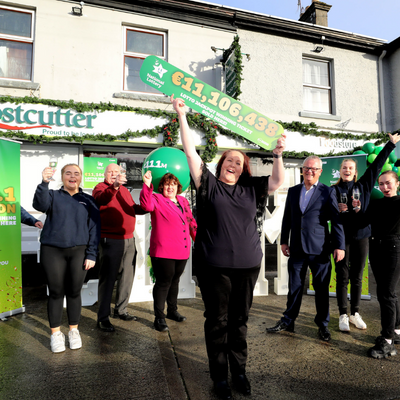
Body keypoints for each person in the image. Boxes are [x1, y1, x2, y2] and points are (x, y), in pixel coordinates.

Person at [172, 94, 286, 399]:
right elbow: (190, 153)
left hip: (248, 266)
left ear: (243, 168)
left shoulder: (253, 189)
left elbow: (277, 181)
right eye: (229, 159)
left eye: (239, 161)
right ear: (221, 164)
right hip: (214, 268)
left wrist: (277, 154)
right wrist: (182, 115)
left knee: (239, 321)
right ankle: (219, 376)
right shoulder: (207, 184)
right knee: (217, 321)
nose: (233, 163)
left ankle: (239, 372)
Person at [267, 156, 345, 342]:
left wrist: (339, 245)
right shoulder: (293, 191)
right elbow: (287, 217)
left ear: (320, 172)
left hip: (319, 250)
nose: (309, 171)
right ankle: (288, 320)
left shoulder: (327, 192)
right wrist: (284, 240)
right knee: (294, 287)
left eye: (314, 169)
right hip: (297, 248)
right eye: (307, 168)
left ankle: (323, 325)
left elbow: (336, 220)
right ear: (302, 170)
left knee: (321, 289)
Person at [333, 134, 400, 333]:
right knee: (342, 276)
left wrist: (391, 145)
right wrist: (338, 211)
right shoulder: (333, 191)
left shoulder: (362, 185)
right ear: (340, 171)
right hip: (343, 238)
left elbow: (377, 165)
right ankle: (343, 314)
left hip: (362, 236)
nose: (347, 170)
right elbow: (329, 216)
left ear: (355, 172)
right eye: (344, 168)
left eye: (350, 168)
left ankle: (355, 313)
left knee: (357, 276)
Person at [33, 164, 100, 353]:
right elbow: (40, 204)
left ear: (81, 178)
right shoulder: (53, 196)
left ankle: (73, 331)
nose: (72, 176)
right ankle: (55, 334)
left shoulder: (89, 200)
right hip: (52, 251)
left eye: (76, 174)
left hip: (79, 252)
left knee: (74, 291)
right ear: (62, 177)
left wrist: (92, 254)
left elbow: (94, 229)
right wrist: (44, 183)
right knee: (55, 292)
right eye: (68, 173)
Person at [140, 171, 197, 332]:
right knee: (163, 283)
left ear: (178, 187)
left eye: (173, 184)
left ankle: (172, 311)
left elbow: (191, 221)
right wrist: (146, 184)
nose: (170, 187)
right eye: (166, 184)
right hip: (163, 251)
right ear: (162, 187)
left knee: (175, 281)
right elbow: (146, 205)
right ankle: (159, 318)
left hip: (182, 250)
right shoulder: (157, 199)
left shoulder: (183, 201)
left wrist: (198, 240)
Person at [93, 163, 146, 332]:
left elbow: (132, 208)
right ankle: (103, 317)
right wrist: (115, 186)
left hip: (129, 239)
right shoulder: (100, 188)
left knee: (127, 277)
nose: (114, 175)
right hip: (111, 239)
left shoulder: (124, 190)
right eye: (111, 172)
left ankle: (121, 310)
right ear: (105, 174)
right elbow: (102, 199)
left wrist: (147, 206)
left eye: (117, 172)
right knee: (108, 279)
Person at [355, 170, 400, 358]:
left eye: (388, 183)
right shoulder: (376, 204)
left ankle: (388, 340)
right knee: (386, 292)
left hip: (394, 248)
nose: (384, 187)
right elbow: (362, 223)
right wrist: (357, 210)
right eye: (381, 184)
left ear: (397, 183)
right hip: (376, 248)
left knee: (386, 293)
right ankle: (396, 330)